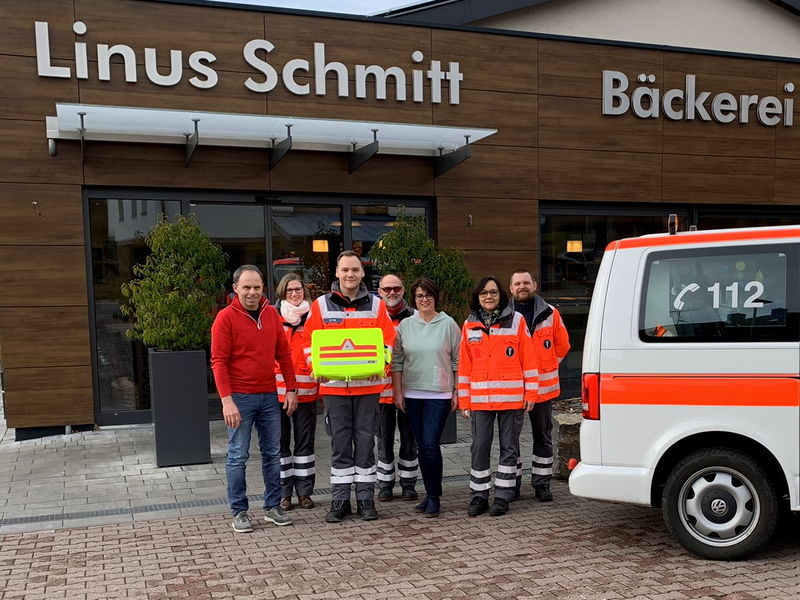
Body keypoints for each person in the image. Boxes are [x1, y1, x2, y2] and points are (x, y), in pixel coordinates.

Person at [303, 250, 396, 523]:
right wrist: (314, 369)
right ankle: (340, 500)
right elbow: (308, 344)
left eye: (355, 270)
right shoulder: (320, 305)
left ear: (363, 273)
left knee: (367, 443)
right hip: (334, 389)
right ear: (337, 272)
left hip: (368, 388)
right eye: (345, 270)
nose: (350, 275)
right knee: (340, 445)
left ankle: (366, 500)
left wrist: (381, 367)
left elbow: (388, 344)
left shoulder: (377, 306)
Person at [211, 265, 299, 533]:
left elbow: (283, 354)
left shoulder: (271, 315)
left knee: (272, 454)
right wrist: (227, 400)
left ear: (263, 289)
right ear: (235, 288)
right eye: (246, 287)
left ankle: (273, 507)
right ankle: (239, 511)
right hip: (239, 398)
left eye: (257, 287)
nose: (252, 292)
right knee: (238, 455)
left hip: (269, 396)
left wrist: (292, 388)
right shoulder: (225, 318)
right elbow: (218, 362)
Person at [458, 276, 538, 517]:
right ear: (477, 297)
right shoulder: (469, 325)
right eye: (483, 293)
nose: (488, 297)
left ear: (501, 295)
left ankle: (503, 495)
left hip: (512, 399)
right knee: (479, 446)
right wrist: (464, 400)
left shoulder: (517, 321)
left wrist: (531, 393)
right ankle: (479, 495)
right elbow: (464, 366)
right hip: (480, 400)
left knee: (509, 447)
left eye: (492, 292)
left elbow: (529, 360)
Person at [391, 277, 461, 518]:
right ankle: (429, 493)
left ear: (435, 297)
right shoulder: (406, 326)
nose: (424, 299)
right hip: (412, 393)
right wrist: (398, 392)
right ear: (414, 299)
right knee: (421, 446)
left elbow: (458, 361)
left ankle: (434, 497)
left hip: (439, 393)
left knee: (431, 444)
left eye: (428, 295)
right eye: (419, 295)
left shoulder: (448, 324)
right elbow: (397, 360)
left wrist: (457, 390)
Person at [509, 270, 570, 502]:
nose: (522, 286)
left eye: (526, 282)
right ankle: (511, 483)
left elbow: (562, 346)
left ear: (534, 284)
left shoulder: (550, 313)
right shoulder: (504, 314)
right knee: (510, 440)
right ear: (511, 287)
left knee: (542, 438)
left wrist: (547, 367)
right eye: (517, 283)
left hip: (543, 390)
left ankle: (542, 484)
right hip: (514, 390)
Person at [274, 274, 319, 511]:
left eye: (298, 289)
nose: (295, 294)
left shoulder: (313, 319)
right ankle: (284, 494)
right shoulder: (274, 318)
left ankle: (304, 493)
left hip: (307, 393)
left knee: (305, 446)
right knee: (281, 447)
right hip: (278, 394)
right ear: (283, 293)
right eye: (290, 290)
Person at [376, 274, 419, 502]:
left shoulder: (414, 317)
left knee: (409, 437)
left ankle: (409, 482)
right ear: (379, 291)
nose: (392, 292)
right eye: (387, 289)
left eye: (396, 288)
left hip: (409, 388)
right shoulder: (374, 316)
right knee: (383, 439)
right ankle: (385, 483)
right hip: (382, 390)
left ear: (403, 290)